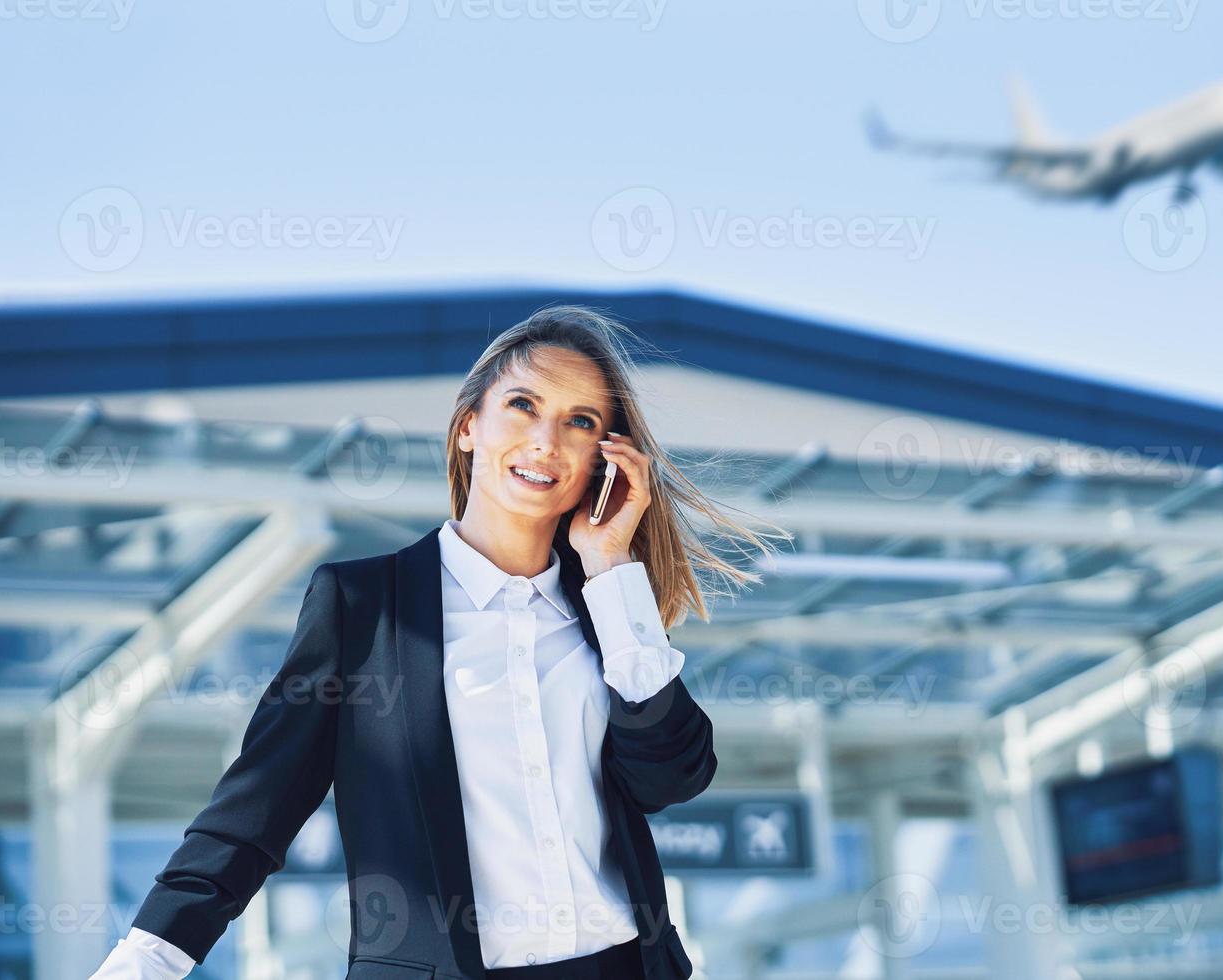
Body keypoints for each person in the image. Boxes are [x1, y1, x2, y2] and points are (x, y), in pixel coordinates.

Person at [89, 304, 790, 979]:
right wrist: (142, 964)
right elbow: (252, 815)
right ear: (467, 428)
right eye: (523, 405)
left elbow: (673, 778)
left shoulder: (606, 609)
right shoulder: (364, 608)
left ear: (601, 460)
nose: (547, 439)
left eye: (579, 422)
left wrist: (614, 570)